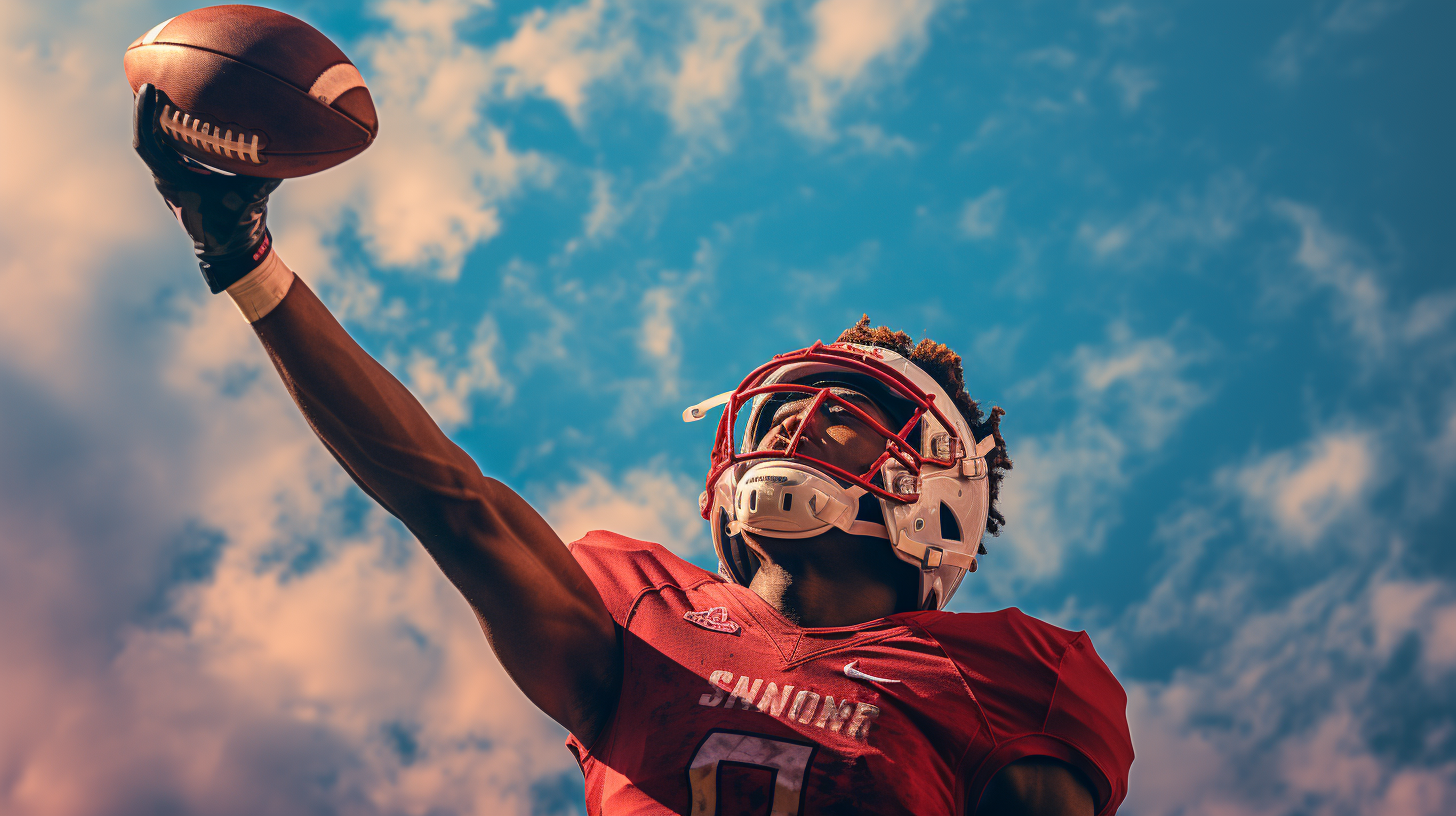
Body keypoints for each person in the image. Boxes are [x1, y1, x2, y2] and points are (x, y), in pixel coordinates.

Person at [132, 84, 1133, 815]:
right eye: (783, 405)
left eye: (842, 410)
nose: (790, 425)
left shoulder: (1013, 675)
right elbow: (451, 501)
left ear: (941, 493)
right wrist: (244, 261)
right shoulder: (646, 608)